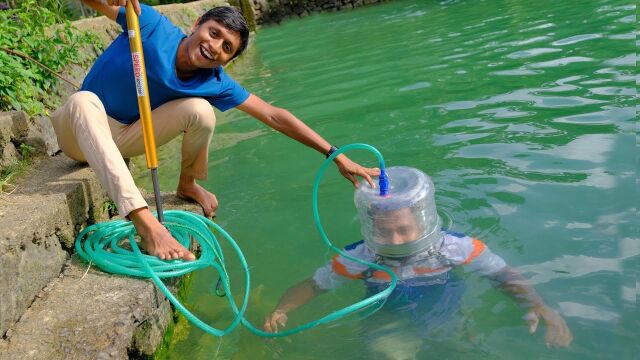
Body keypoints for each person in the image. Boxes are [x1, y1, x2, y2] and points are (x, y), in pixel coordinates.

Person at [51, 0, 379, 261]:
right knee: (82, 101)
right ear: (196, 25)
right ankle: (145, 223)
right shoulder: (150, 25)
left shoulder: (213, 81)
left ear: (227, 61)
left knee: (200, 111)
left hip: (129, 137)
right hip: (79, 133)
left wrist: (336, 156)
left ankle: (188, 183)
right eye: (214, 33)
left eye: (226, 47)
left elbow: (275, 116)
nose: (215, 46)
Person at [264, 167, 572, 358]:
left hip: (447, 315)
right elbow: (313, 285)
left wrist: (538, 305)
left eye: (404, 230)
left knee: (465, 353)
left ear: (423, 222)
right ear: (370, 228)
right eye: (384, 231)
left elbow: (503, 275)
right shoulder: (363, 258)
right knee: (387, 355)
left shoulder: (453, 248)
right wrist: (282, 309)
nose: (396, 240)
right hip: (388, 321)